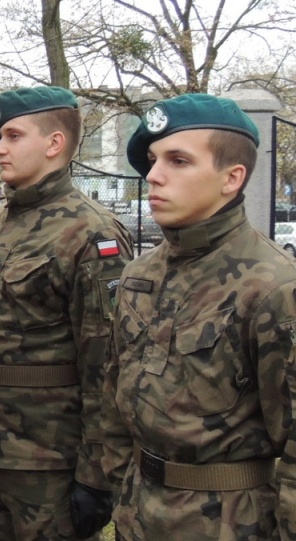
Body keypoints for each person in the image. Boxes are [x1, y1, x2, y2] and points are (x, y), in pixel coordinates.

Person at [101, 94, 296, 540]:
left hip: (228, 523)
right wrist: (117, 483)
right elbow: (114, 391)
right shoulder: (139, 274)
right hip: (137, 514)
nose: (153, 175)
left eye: (179, 161)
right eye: (152, 160)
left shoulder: (273, 287)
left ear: (232, 178)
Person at [0, 86, 132, 540]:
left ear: (54, 144)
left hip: (46, 458)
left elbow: (106, 366)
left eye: (13, 136)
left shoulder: (91, 232)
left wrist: (95, 475)